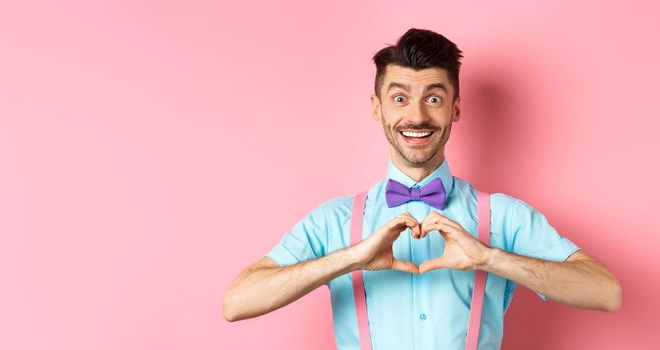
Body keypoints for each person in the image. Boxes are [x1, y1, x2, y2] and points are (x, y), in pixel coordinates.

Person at [222, 28, 622, 350]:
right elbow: (237, 302)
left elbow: (606, 292)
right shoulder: (333, 220)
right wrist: (348, 259)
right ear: (378, 107)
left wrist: (489, 258)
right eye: (400, 98)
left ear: (456, 108)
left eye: (433, 98)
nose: (416, 115)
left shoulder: (504, 217)